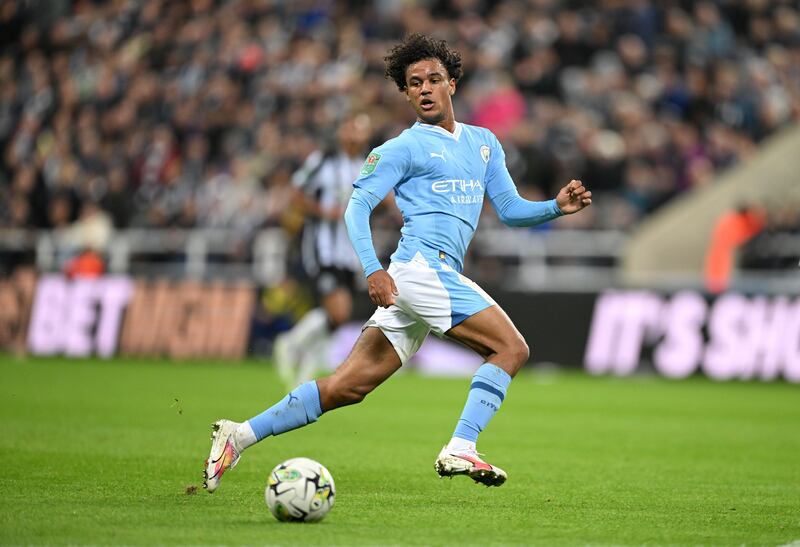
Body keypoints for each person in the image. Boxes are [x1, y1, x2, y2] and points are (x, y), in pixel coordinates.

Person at [203, 34, 591, 492]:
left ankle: (239, 435)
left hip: (427, 278)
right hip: (422, 270)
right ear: (406, 94)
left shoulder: (484, 143)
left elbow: (510, 210)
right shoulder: (401, 148)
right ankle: (462, 445)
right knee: (511, 349)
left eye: (433, 79)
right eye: (414, 83)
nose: (425, 88)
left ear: (452, 84)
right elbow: (356, 208)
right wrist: (373, 268)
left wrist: (555, 208)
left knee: (347, 387)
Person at [273, 113, 373, 388]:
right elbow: (296, 191)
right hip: (323, 246)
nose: (356, 135)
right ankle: (290, 343)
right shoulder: (323, 161)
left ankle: (303, 378)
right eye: (352, 129)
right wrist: (323, 212)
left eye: (361, 130)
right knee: (338, 312)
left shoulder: (365, 165)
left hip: (349, 250)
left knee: (336, 319)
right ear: (342, 132)